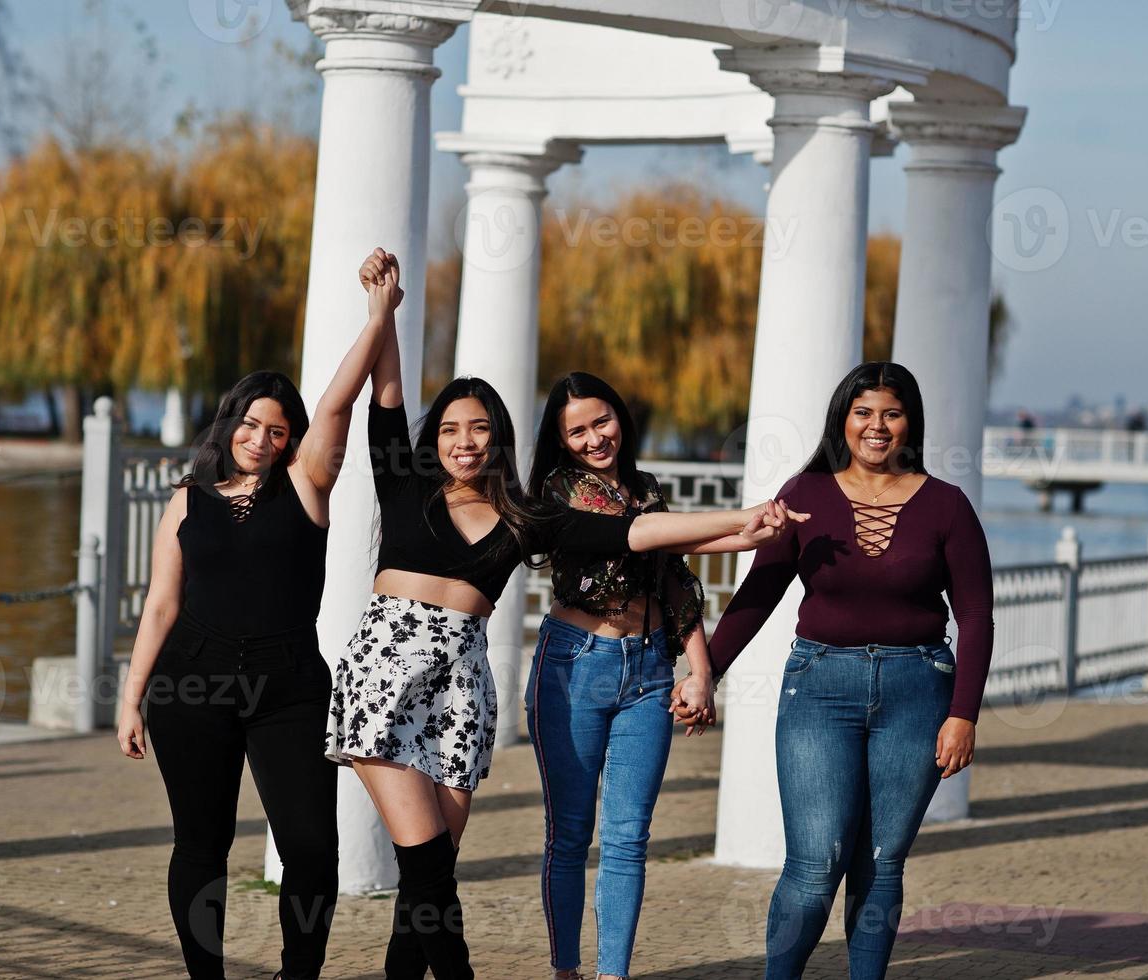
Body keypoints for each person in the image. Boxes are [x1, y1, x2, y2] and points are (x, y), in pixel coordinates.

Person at [331, 250, 800, 980]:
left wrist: (744, 525)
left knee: (432, 872)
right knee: (427, 868)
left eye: (480, 428)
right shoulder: (404, 483)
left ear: (500, 437)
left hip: (459, 687)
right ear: (436, 437)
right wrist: (382, 313)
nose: (464, 441)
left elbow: (639, 535)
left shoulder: (529, 515)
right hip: (386, 670)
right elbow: (382, 397)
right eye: (452, 427)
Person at [115, 252, 405, 980]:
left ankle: (297, 974)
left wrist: (379, 315)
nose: (260, 439)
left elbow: (339, 403)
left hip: (289, 687)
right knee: (200, 846)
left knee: (310, 847)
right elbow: (160, 604)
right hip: (190, 685)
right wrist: (131, 698)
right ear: (229, 423)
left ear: (292, 438)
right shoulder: (187, 498)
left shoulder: (307, 485)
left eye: (276, 429)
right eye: (250, 424)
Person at [703, 361, 995, 980]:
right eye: (864, 412)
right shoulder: (804, 496)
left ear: (910, 420)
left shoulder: (947, 505)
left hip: (918, 690)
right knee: (815, 864)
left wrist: (963, 713)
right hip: (819, 688)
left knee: (882, 863)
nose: (877, 425)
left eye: (891, 412)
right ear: (843, 417)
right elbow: (760, 592)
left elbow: (976, 615)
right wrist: (707, 670)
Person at [525, 371, 801, 980]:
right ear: (560, 439)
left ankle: (612, 974)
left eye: (603, 421)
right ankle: (565, 971)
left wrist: (701, 673)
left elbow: (675, 580)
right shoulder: (560, 489)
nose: (595, 438)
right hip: (575, 666)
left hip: (648, 669)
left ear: (620, 415)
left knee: (628, 839)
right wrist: (740, 523)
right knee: (570, 834)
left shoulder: (645, 486)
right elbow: (640, 537)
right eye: (578, 430)